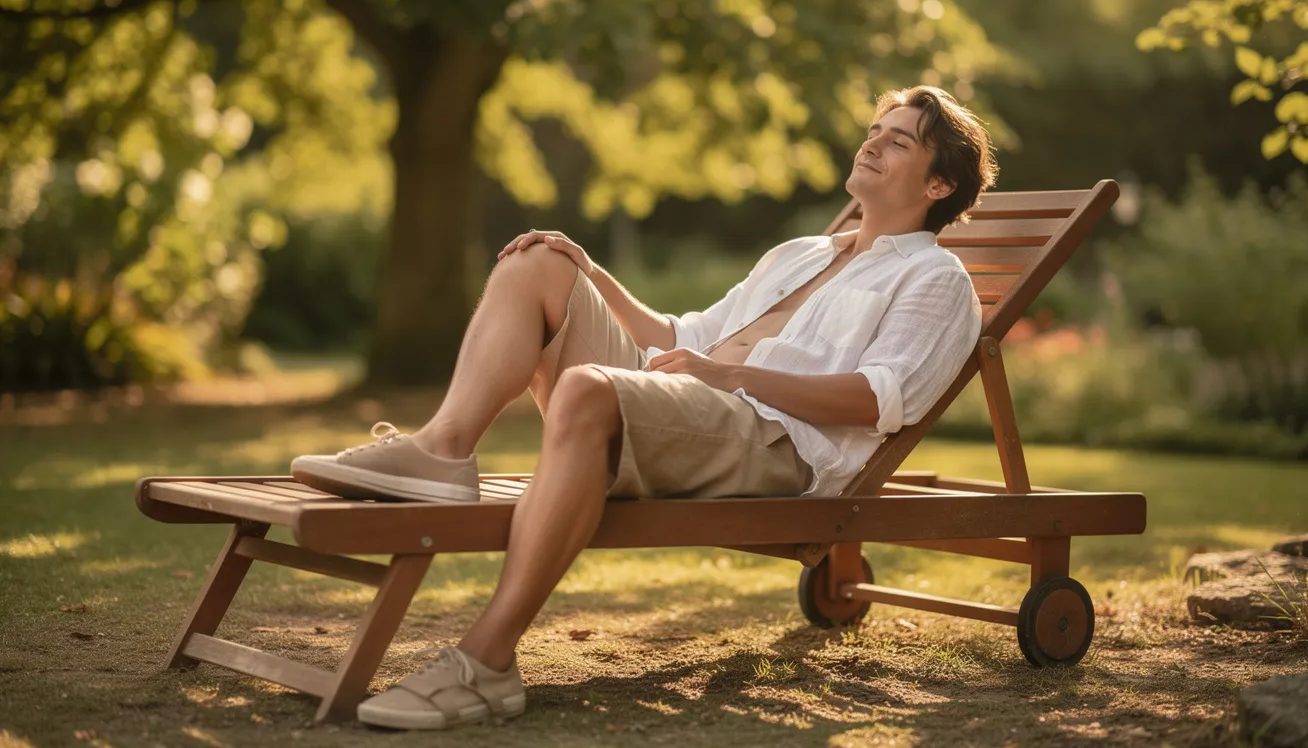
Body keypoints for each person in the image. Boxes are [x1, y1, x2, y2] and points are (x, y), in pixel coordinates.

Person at [290, 84, 995, 731]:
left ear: (939, 184)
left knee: (591, 386)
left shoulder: (933, 276)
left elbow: (878, 400)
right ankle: (442, 452)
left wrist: (729, 376)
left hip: (777, 441)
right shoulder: (804, 252)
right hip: (695, 395)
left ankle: (485, 663)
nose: (872, 142)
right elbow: (681, 337)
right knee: (538, 262)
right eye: (875, 129)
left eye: (898, 140)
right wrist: (588, 271)